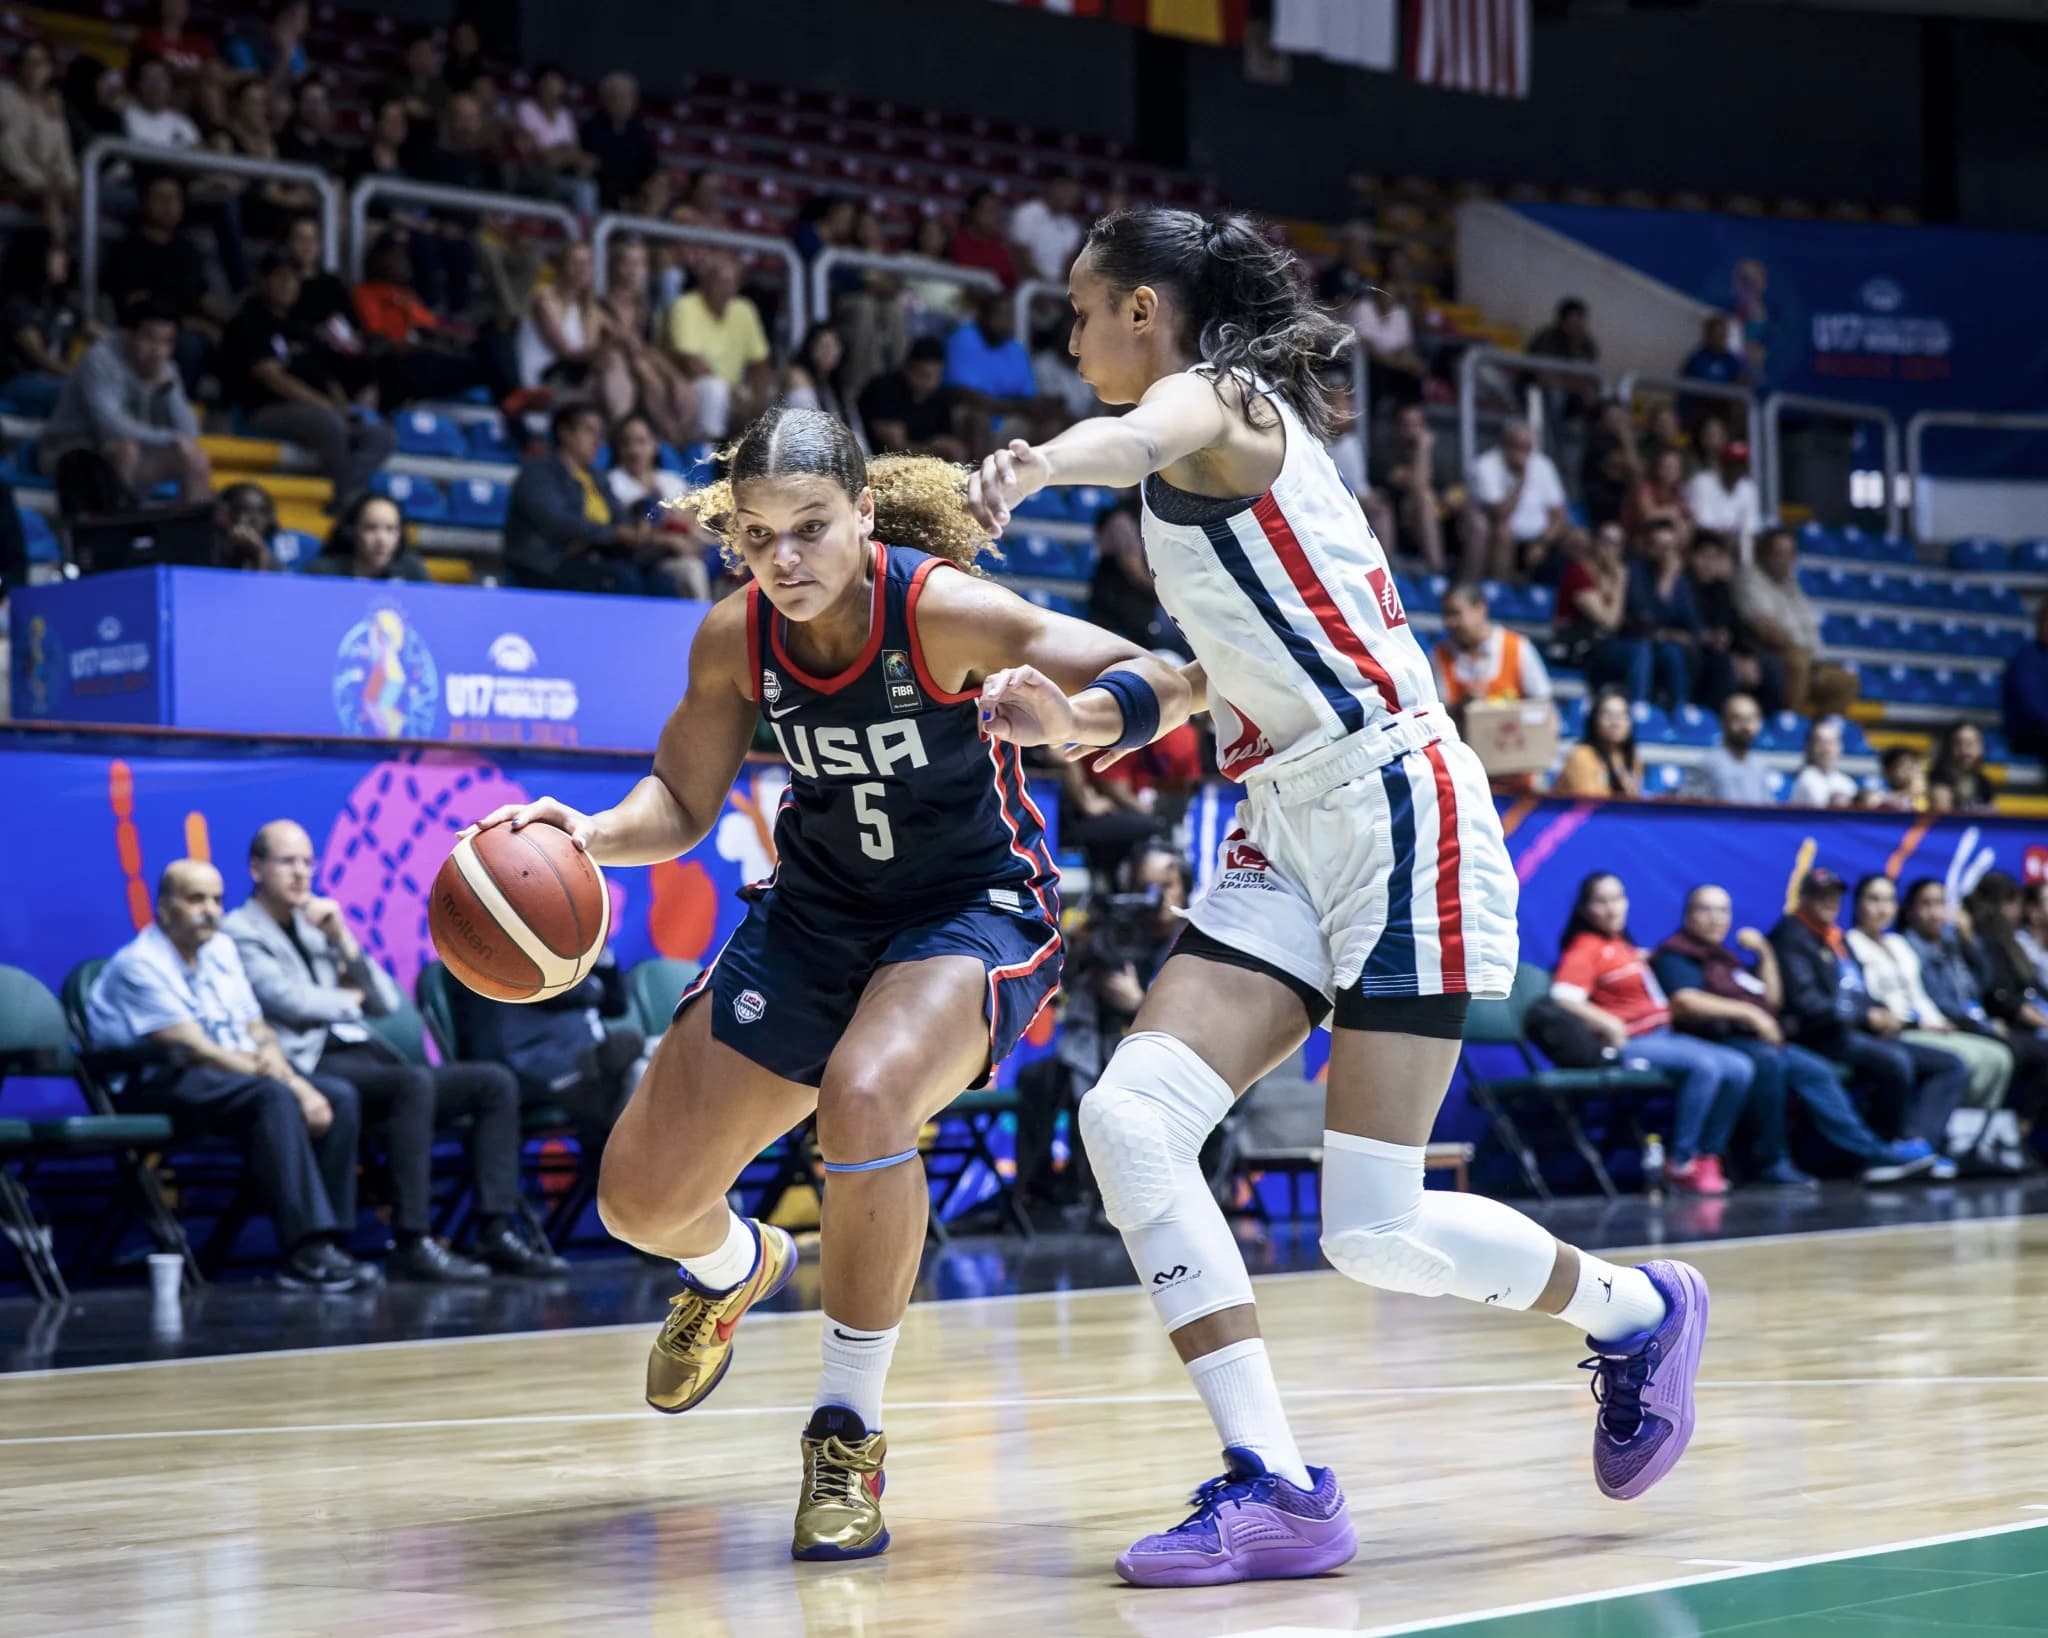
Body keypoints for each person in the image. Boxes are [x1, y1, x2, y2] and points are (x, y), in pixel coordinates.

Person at [964, 207, 1708, 1586]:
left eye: (1081, 310)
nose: (1066, 336)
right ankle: (1280, 1484)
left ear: (1145, 311)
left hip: (1393, 804)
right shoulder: (1197, 467)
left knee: (1371, 1225)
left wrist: (1030, 468)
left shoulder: (1220, 405)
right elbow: (1204, 671)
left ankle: (1635, 1309)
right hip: (1282, 819)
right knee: (1128, 1117)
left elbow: (1126, 432)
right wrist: (1084, 719)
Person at [477, 404, 1190, 1562]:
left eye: (810, 528)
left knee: (863, 1095)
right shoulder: (734, 638)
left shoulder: (942, 611)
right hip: (815, 916)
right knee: (637, 1202)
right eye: (758, 538)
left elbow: (1156, 669)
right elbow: (682, 803)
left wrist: (1084, 715)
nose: (785, 559)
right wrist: (591, 834)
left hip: (970, 911)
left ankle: (845, 1430)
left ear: (863, 513)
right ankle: (735, 1266)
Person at [225, 821, 564, 1280]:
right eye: (288, 861)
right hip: (310, 1063)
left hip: (364, 1057)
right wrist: (350, 1002)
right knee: (413, 1082)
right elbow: (287, 1001)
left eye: (308, 861)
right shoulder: (240, 931)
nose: (302, 873)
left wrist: (342, 938)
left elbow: (386, 1002)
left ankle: (496, 1228)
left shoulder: (315, 924)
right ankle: (413, 1239)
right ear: (256, 868)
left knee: (492, 1083)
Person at [85, 860, 375, 1292]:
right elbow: (194, 1048)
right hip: (155, 1083)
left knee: (338, 1095)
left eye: (217, 900)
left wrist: (289, 1073)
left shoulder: (220, 950)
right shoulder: (139, 964)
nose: (210, 910)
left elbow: (256, 1027)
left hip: (225, 1076)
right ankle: (304, 1252)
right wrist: (288, 1082)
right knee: (273, 1097)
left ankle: (333, 1243)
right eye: (195, 899)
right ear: (164, 909)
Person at [1653, 884, 1934, 1185]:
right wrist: (1748, 1014)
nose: (1715, 918)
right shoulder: (1676, 954)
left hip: (1755, 1041)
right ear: (1687, 914)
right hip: (1713, 1042)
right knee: (1769, 1063)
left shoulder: (1726, 958)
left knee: (1816, 1070)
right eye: (1705, 909)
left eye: (1723, 910)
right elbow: (1684, 1001)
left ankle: (1869, 1151)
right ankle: (1770, 1161)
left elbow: (1771, 1001)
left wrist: (1764, 954)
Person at [1550, 872, 1762, 1195]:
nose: (1612, 909)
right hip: (1634, 1043)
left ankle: (1707, 1156)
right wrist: (1608, 1023)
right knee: (1706, 1067)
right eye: (1601, 901)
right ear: (1585, 909)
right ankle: (1680, 1161)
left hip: (1665, 1036)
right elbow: (1562, 997)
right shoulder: (1586, 946)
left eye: (1618, 899)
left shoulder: (1622, 944)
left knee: (1740, 1067)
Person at [1769, 868, 1963, 1172]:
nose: (1829, 901)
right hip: (1816, 1036)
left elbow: (1856, 991)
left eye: (1834, 895)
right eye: (1820, 895)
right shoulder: (1792, 937)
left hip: (1851, 1030)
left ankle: (1917, 1145)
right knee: (1895, 1060)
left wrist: (1880, 1010)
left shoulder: (1832, 938)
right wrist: (1866, 1015)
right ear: (1803, 897)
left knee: (1950, 1063)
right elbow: (1807, 1005)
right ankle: (1886, 1150)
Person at [1862, 876, 2026, 1160]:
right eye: (1874, 899)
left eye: (1887, 899)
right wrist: (1928, 1022)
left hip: (1932, 1023)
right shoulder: (1858, 942)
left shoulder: (1901, 944)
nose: (1935, 912)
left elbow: (1978, 984)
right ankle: (1930, 1141)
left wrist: (1969, 940)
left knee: (1998, 1058)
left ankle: (1971, 1140)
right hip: (1900, 1029)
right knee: (1965, 1062)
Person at [221, 251, 398, 506]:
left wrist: (341, 406)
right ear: (262, 282)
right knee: (331, 424)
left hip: (317, 409)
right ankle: (344, 502)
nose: (287, 285)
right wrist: (324, 405)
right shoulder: (250, 320)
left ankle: (346, 488)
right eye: (279, 277)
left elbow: (326, 376)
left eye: (293, 279)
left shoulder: (301, 326)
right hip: (265, 409)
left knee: (381, 434)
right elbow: (271, 376)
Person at [40, 306, 212, 503]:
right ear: (128, 335)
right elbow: (112, 427)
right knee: (125, 450)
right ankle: (117, 528)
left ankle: (194, 531)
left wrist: (168, 389)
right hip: (67, 450)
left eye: (167, 342)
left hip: (125, 452)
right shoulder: (99, 358)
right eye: (151, 338)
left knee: (196, 459)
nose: (158, 349)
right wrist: (170, 438)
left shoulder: (167, 369)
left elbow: (190, 434)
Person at [504, 402, 674, 596]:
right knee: (621, 580)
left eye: (599, 433)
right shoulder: (538, 472)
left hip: (597, 557)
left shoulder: (596, 477)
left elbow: (619, 517)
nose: (597, 440)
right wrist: (613, 534)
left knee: (661, 580)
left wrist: (637, 526)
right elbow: (556, 520)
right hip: (549, 563)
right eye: (589, 431)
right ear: (565, 433)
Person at [102, 172, 234, 395]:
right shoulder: (129, 249)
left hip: (191, 325)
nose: (169, 206)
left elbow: (202, 297)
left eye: (175, 199)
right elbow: (140, 306)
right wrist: (195, 325)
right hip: (148, 331)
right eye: (161, 199)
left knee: (242, 337)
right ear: (144, 203)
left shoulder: (188, 249)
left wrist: (236, 320)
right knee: (190, 344)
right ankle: (179, 404)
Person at [1736, 527, 1855, 717]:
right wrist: (1804, 655)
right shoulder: (1750, 578)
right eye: (1779, 553)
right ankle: (1791, 725)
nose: (1785, 560)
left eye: (1790, 553)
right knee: (1798, 663)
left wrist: (1814, 659)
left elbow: (1810, 631)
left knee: (1846, 682)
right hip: (1768, 653)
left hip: (1808, 657)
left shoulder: (1793, 585)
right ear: (1765, 555)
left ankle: (1820, 733)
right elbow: (1767, 630)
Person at [663, 254, 773, 440]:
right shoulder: (685, 306)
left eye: (731, 283)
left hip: (735, 391)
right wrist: (734, 395)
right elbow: (692, 364)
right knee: (715, 389)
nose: (726, 289)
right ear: (705, 282)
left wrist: (756, 405)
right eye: (720, 282)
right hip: (691, 388)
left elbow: (761, 363)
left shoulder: (745, 309)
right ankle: (707, 454)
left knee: (783, 396)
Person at [605, 413, 712, 599]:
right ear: (619, 448)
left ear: (654, 444)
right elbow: (628, 529)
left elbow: (694, 522)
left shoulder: (671, 480)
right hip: (650, 557)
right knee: (693, 570)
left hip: (690, 547)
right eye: (627, 443)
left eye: (641, 442)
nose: (634, 450)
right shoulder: (613, 482)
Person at [945, 290, 1059, 455]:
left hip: (1007, 414)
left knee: (1050, 423)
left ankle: (1035, 480)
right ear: (982, 316)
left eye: (1009, 315)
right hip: (969, 412)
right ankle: (979, 478)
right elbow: (964, 394)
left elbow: (1027, 396)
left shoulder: (1016, 349)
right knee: (978, 417)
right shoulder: (963, 338)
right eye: (999, 314)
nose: (1006, 321)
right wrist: (1017, 406)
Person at [1464, 417, 1570, 584]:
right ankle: (1499, 591)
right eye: (1518, 447)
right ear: (1505, 445)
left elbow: (1558, 514)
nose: (1525, 454)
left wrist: (1542, 543)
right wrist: (1521, 480)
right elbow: (1500, 514)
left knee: (1577, 539)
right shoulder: (1486, 465)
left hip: (1539, 538)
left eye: (1528, 448)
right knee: (1503, 533)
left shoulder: (1544, 465)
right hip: (1502, 535)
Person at [1688, 533, 1780, 713]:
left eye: (1714, 558)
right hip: (1698, 651)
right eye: (1703, 557)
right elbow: (1684, 625)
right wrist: (1707, 639)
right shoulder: (1683, 585)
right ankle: (1714, 720)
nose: (1708, 563)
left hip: (1726, 653)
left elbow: (1737, 628)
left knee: (1771, 666)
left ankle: (1767, 729)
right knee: (1722, 665)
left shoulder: (1721, 590)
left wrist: (1747, 656)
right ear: (1691, 557)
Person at [1432, 583, 1552, 713]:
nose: (1450, 622)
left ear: (1480, 608)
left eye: (1455, 613)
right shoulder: (1439, 656)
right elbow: (1435, 716)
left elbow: (1543, 704)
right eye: (1446, 615)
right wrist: (1461, 707)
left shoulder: (1517, 647)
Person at [1617, 519, 1699, 708]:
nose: (1665, 553)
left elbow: (1692, 623)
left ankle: (1681, 712)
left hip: (1665, 645)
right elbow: (1643, 616)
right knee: (1644, 649)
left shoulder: (1682, 581)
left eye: (1670, 547)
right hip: (1631, 640)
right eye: (1659, 546)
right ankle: (1640, 709)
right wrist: (1665, 581)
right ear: (1647, 545)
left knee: (1675, 653)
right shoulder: (1634, 572)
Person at [0, 41, 78, 239]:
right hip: (10, 176)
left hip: (44, 179)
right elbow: (8, 149)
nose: (34, 70)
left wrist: (69, 181)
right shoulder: (4, 95)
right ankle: (57, 251)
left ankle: (81, 256)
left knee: (78, 196)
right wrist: (41, 181)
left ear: (50, 69)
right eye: (29, 62)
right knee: (51, 195)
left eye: (41, 63)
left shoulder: (53, 104)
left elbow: (61, 151)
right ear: (19, 66)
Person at [0, 229, 83, 411]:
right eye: (56, 253)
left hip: (53, 381)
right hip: (19, 380)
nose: (65, 259)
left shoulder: (61, 303)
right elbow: (39, 357)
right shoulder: (18, 304)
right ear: (36, 257)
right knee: (79, 393)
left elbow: (95, 334)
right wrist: (80, 378)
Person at [1368, 402, 1447, 574]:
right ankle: (1437, 569)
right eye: (1407, 425)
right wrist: (1423, 448)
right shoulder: (1383, 453)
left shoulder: (1437, 455)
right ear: (1396, 427)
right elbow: (1417, 486)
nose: (1412, 431)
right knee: (1424, 498)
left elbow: (1449, 489)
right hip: (1396, 518)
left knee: (1430, 500)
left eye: (1417, 425)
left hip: (1433, 521)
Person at [512, 66, 599, 219]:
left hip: (561, 175)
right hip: (532, 173)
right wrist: (562, 152)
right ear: (539, 86)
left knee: (587, 186)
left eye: (556, 86)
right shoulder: (526, 108)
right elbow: (542, 156)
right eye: (547, 85)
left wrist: (560, 154)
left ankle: (586, 235)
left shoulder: (565, 115)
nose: (551, 91)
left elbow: (576, 153)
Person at [859, 337, 965, 460]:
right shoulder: (882, 390)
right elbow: (893, 447)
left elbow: (950, 443)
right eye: (923, 375)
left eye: (936, 376)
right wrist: (930, 449)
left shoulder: (940, 398)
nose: (930, 383)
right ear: (907, 369)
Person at [302, 491, 427, 581]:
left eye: (390, 529)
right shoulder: (321, 574)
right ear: (352, 531)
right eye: (371, 528)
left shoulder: (411, 572)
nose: (382, 540)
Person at [1684, 420, 1758, 560]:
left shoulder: (1749, 488)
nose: (1736, 469)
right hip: (1703, 543)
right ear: (1723, 464)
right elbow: (1702, 524)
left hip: (1734, 547)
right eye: (1732, 464)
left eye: (1741, 465)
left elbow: (1750, 528)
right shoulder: (1701, 482)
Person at [582, 72, 657, 211]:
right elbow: (595, 168)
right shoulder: (591, 128)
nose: (625, 103)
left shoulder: (639, 130)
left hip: (635, 196)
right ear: (605, 99)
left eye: (630, 97)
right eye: (619, 97)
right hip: (603, 196)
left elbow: (651, 166)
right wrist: (620, 199)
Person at [1555, 685, 1643, 800]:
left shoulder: (1633, 760)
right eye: (1608, 715)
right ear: (1595, 720)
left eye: (1622, 715)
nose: (1615, 723)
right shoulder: (1581, 756)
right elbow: (1587, 804)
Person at [1688, 692, 1775, 806]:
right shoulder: (1707, 764)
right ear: (1723, 722)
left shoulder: (1761, 765)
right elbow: (1693, 812)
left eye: (1751, 719)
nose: (1745, 726)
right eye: (1738, 719)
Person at [1349, 281, 1424, 413]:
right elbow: (1369, 347)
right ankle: (1372, 419)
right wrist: (1397, 363)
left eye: (1392, 295)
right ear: (1376, 294)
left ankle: (1409, 417)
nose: (1387, 297)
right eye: (1384, 293)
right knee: (1378, 374)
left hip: (1392, 365)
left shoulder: (1400, 313)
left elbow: (1405, 347)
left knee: (1414, 375)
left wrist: (1412, 364)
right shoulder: (1362, 308)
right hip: (1365, 364)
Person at [1008, 173, 1085, 284]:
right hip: (1025, 283)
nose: (1070, 196)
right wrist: (1045, 284)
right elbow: (1020, 257)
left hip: (1055, 288)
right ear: (1053, 187)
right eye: (1065, 190)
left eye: (1073, 193)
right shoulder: (1027, 212)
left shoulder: (1073, 227)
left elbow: (1068, 266)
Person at [1623, 447, 1694, 554]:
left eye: (1674, 467)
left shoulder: (1677, 494)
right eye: (1666, 466)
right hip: (1638, 540)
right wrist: (1672, 513)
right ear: (1657, 468)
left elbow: (1686, 517)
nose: (1670, 471)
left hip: (1668, 540)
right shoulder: (1645, 487)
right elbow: (1647, 515)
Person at [949, 185, 1018, 288]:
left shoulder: (1004, 249)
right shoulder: (954, 243)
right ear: (973, 213)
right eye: (989, 211)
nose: (995, 217)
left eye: (996, 211)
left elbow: (1011, 287)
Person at [1788, 717, 1858, 808]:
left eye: (1832, 743)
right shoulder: (1804, 779)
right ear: (1809, 746)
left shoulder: (1847, 783)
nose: (1826, 749)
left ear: (1840, 747)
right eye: (1820, 742)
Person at [1928, 721, 1996, 813]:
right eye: (1959, 743)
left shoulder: (1984, 782)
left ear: (1981, 748)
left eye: (1970, 743)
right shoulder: (1938, 778)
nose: (1965, 750)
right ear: (1948, 747)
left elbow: (1992, 816)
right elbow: (1943, 818)